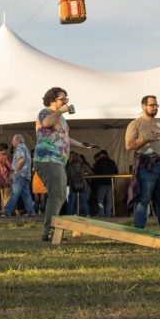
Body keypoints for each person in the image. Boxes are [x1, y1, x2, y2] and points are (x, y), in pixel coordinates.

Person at [34, 88, 94, 241]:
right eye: (63, 99)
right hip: (48, 160)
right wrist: (61, 110)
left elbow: (64, 137)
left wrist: (82, 145)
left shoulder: (61, 118)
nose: (66, 101)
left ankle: (50, 231)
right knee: (57, 195)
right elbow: (46, 123)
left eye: (66, 99)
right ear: (52, 100)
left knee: (59, 196)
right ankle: (48, 232)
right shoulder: (45, 112)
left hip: (58, 161)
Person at [124, 95, 160, 234]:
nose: (155, 107)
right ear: (143, 106)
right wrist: (147, 137)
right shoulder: (136, 124)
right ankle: (139, 230)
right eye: (152, 105)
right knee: (143, 198)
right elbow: (129, 145)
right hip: (146, 165)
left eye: (156, 105)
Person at [2, 133, 36, 217]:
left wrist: (15, 171)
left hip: (20, 174)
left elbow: (21, 160)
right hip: (26, 175)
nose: (12, 142)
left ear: (17, 140)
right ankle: (31, 212)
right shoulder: (25, 148)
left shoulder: (20, 148)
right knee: (26, 194)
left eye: (13, 140)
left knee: (14, 193)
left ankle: (6, 211)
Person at [90, 149, 117, 217]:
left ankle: (102, 213)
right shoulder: (112, 162)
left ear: (102, 154)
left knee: (100, 200)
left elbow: (96, 172)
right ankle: (108, 214)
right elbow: (116, 171)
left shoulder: (99, 162)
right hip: (110, 183)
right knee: (109, 200)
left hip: (101, 183)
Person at [65, 152, 93, 217]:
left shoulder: (70, 166)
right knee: (84, 200)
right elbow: (90, 172)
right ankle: (87, 214)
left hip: (73, 184)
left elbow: (67, 175)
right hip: (83, 184)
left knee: (72, 201)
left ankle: (70, 214)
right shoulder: (83, 165)